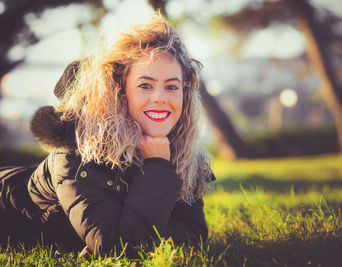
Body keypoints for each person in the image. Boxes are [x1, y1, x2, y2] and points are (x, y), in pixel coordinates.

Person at [0, 14, 215, 257]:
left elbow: (195, 233)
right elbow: (118, 246)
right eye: (145, 85)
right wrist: (157, 166)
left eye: (171, 86)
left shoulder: (181, 151)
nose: (161, 98)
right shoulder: (79, 147)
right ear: (120, 92)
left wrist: (130, 231)